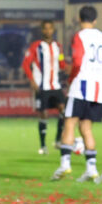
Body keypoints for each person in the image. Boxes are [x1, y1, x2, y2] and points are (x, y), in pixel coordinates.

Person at [51, 5, 102, 183]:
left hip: (81, 85)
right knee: (86, 128)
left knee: (69, 124)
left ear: (79, 19)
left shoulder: (79, 36)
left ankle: (65, 164)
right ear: (95, 20)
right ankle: (91, 169)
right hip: (98, 88)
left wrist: (71, 77)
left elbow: (77, 61)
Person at [21, 20, 65, 154]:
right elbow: (25, 64)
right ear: (42, 30)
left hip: (55, 85)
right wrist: (32, 81)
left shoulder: (58, 46)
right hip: (42, 86)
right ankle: (43, 145)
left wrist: (71, 68)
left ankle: (58, 141)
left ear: (53, 30)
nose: (48, 31)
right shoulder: (35, 46)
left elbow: (61, 64)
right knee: (44, 115)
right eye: (45, 29)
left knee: (64, 111)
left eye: (50, 28)